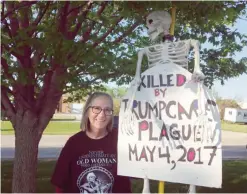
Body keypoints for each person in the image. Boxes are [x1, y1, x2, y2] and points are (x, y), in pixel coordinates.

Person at [51, 92, 132, 193]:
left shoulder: (121, 139)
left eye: (107, 110)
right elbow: (60, 185)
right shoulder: (73, 143)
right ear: (87, 111)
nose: (102, 114)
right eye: (97, 108)